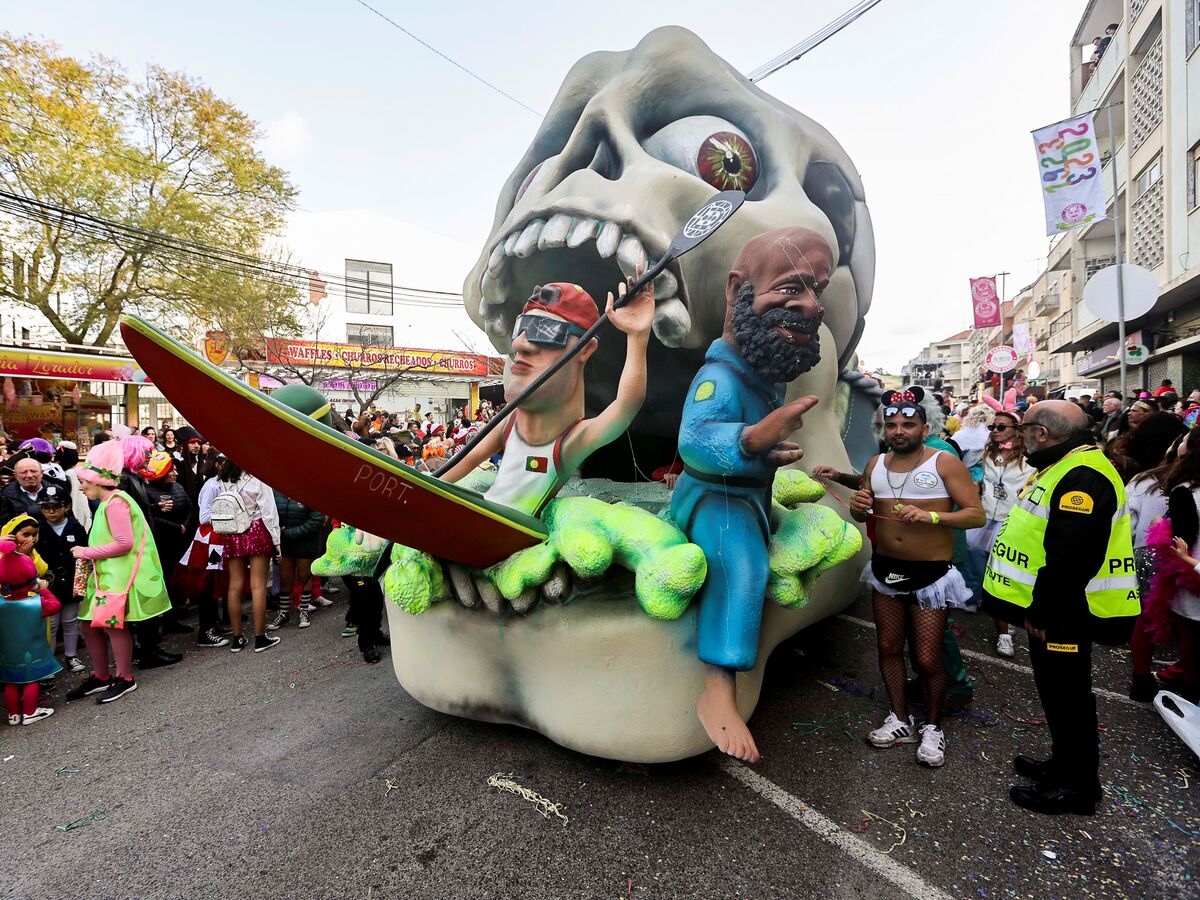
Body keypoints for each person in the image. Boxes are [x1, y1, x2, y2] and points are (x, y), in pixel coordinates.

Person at [982, 401, 1139, 815]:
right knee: (1057, 694)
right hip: (1060, 609)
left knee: (1069, 699)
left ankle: (1078, 788)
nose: (1020, 437)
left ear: (1042, 433)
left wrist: (1044, 612)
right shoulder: (1065, 465)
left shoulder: (1082, 476)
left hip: (1066, 613)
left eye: (1024, 429)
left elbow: (1071, 556)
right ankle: (1063, 764)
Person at [438, 275, 654, 517]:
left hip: (519, 528)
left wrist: (637, 336)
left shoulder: (568, 443)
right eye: (520, 328)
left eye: (544, 330)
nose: (519, 344)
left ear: (585, 349)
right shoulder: (509, 423)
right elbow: (465, 461)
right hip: (487, 516)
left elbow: (625, 406)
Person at [851, 387, 984, 768]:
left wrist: (933, 517)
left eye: (907, 425)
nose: (899, 431)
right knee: (888, 648)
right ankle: (899, 719)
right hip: (885, 571)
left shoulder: (944, 463)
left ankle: (933, 726)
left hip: (930, 575)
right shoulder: (875, 464)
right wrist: (859, 507)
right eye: (891, 425)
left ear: (924, 429)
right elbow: (863, 515)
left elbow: (975, 514)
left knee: (927, 658)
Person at [67, 438, 173, 705]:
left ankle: (124, 678)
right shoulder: (110, 501)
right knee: (88, 624)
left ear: (98, 481)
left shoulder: (116, 502)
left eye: (83, 482)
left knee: (112, 625)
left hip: (117, 578)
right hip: (105, 576)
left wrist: (85, 552)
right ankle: (102, 676)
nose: (80, 487)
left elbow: (124, 543)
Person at [966, 411, 1033, 657]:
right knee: (974, 552)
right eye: (992, 426)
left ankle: (1005, 629)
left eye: (1001, 427)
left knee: (1003, 569)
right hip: (985, 516)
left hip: (1010, 520)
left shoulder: (1028, 460)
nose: (995, 430)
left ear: (1017, 430)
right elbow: (977, 476)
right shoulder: (987, 455)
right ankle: (978, 596)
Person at [214, 458, 281, 653]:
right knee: (258, 585)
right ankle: (260, 637)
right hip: (256, 529)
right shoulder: (258, 477)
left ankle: (237, 638)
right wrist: (277, 542)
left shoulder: (224, 477)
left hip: (233, 531)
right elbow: (269, 513)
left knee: (234, 586)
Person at [0, 535, 61, 725]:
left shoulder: (1, 603)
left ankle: (13, 715)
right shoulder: (35, 603)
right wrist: (42, 588)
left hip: (8, 653)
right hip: (32, 650)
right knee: (31, 680)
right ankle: (30, 712)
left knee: (10, 682)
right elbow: (55, 605)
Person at [32, 487, 89, 672]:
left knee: (70, 620)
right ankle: (48, 662)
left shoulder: (76, 528)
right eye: (46, 508)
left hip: (71, 582)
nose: (51, 511)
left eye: (56, 507)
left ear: (66, 507)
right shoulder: (37, 530)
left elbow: (84, 554)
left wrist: (82, 581)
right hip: (48, 584)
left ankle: (71, 656)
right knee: (51, 624)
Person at [268, 489, 326, 630]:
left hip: (305, 543)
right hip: (285, 544)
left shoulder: (308, 491)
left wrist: (291, 533)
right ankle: (283, 613)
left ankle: (304, 611)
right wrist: (277, 531)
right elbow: (270, 514)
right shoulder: (275, 492)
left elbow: (317, 519)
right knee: (285, 579)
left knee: (304, 576)